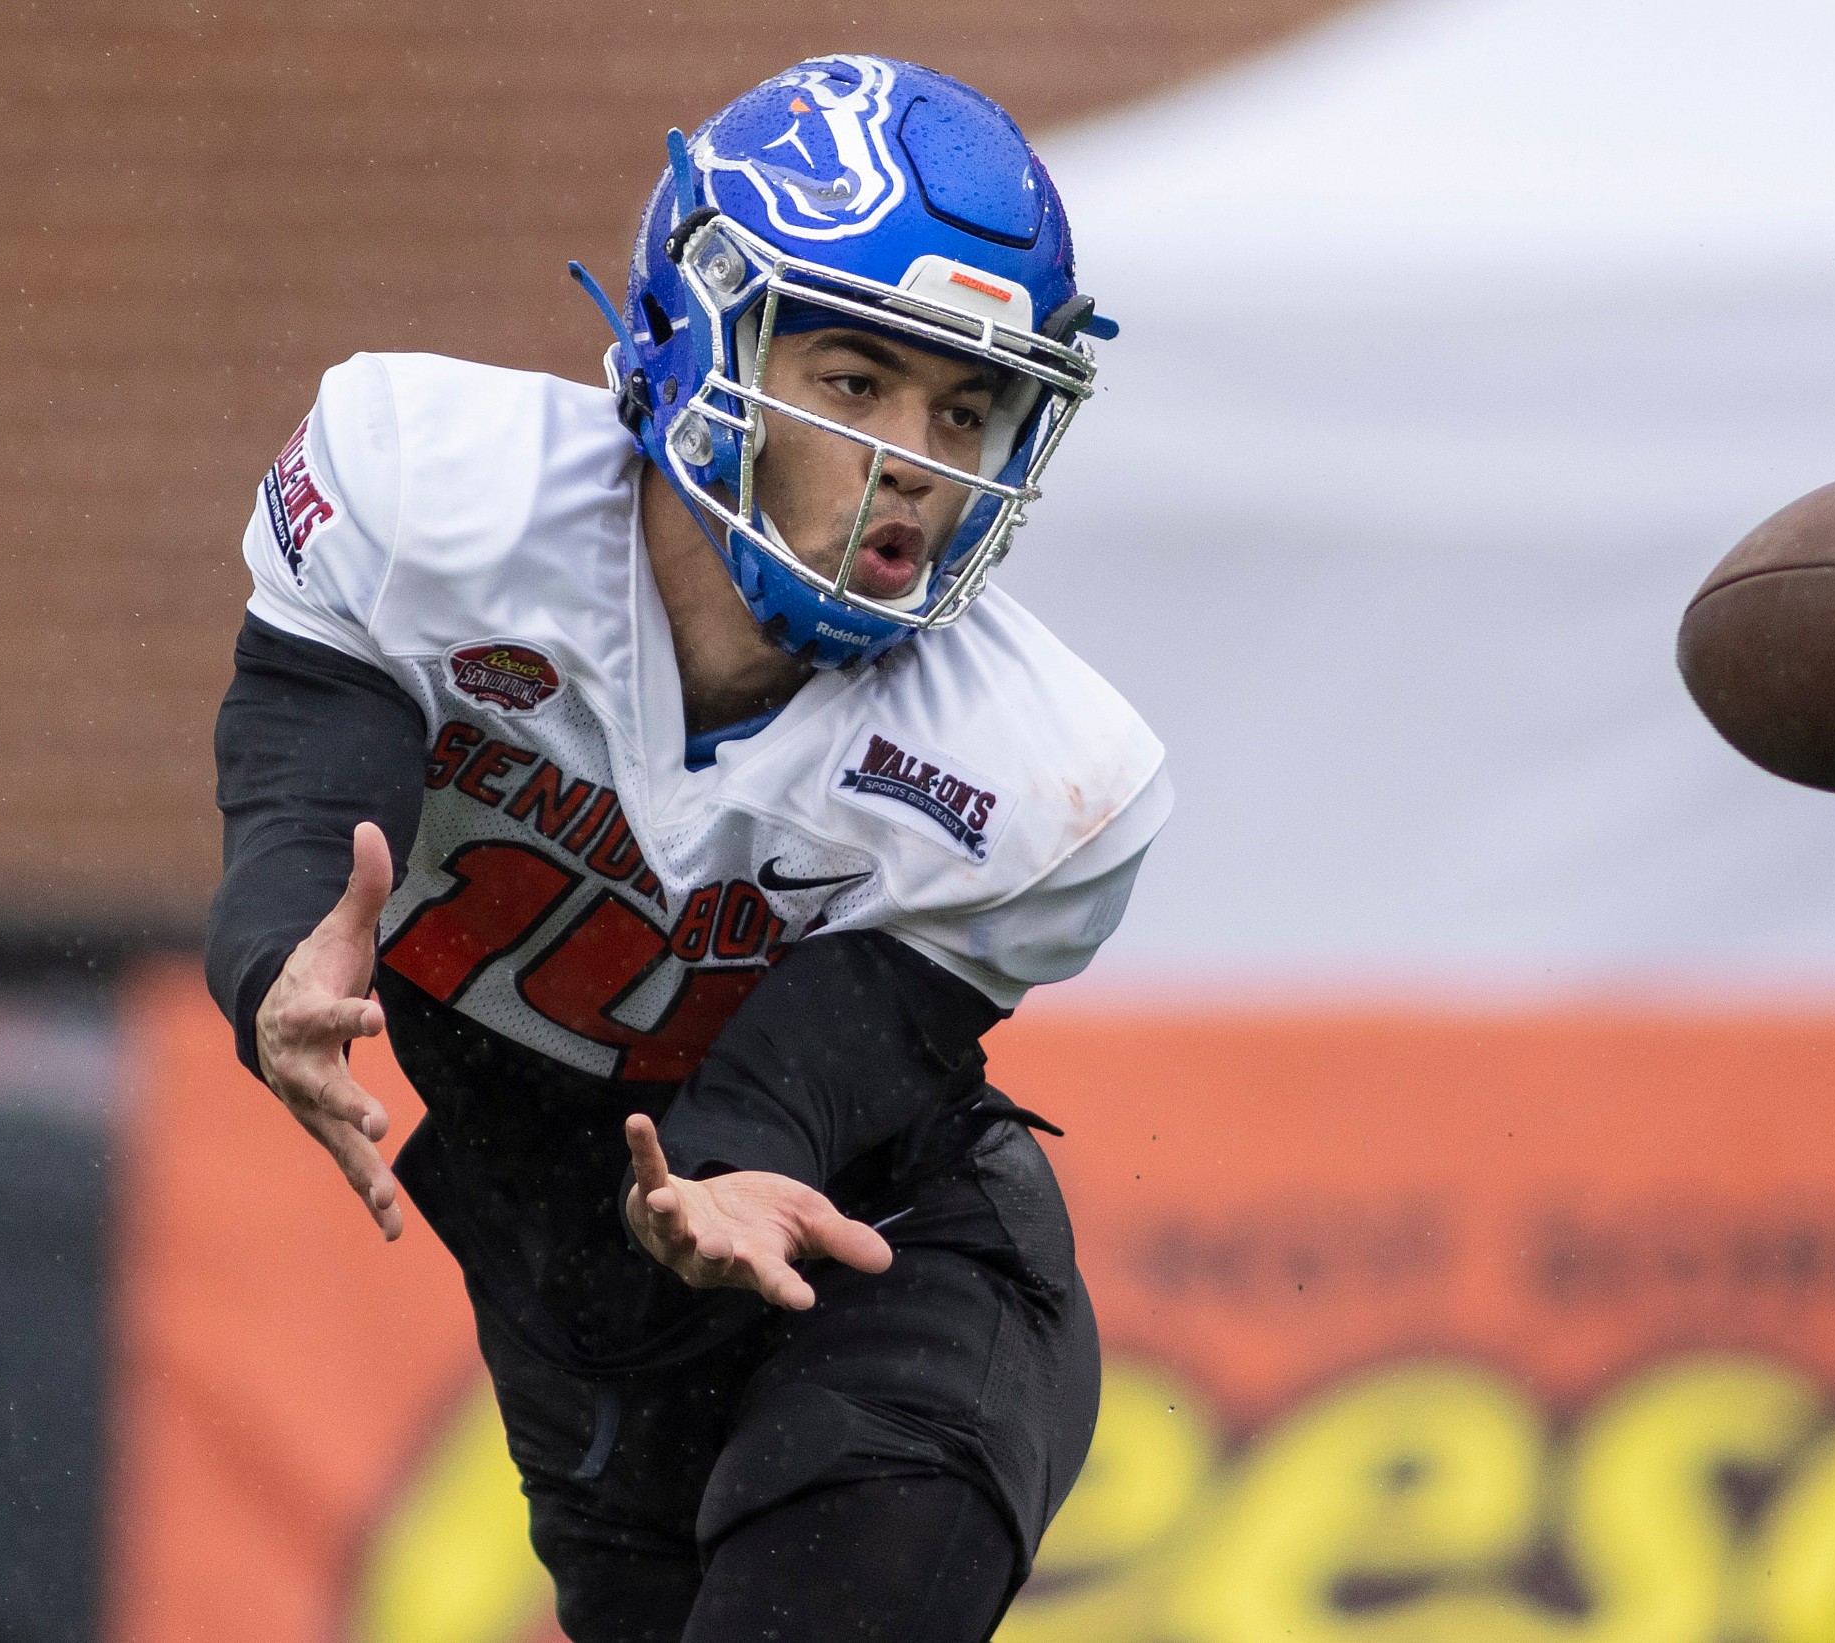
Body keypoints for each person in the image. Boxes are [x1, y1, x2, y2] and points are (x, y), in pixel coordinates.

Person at [205, 54, 1169, 1642]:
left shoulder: (1038, 770)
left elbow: (802, 1075)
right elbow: (307, 786)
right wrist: (280, 946)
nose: (917, 459)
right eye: (857, 386)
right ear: (696, 334)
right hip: (583, 1299)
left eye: (966, 407)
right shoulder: (439, 499)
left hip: (881, 1257)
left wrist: (741, 1166)